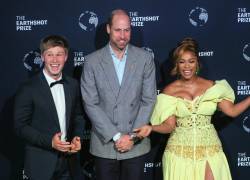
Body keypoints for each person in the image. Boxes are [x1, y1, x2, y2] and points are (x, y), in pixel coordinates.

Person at [135, 37, 250, 180]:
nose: (187, 67)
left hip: (210, 151)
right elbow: (169, 126)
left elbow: (231, 111)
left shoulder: (212, 86)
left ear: (197, 63)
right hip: (179, 153)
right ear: (177, 64)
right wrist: (152, 128)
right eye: (182, 62)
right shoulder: (169, 91)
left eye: (191, 61)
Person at [80, 9, 156, 180]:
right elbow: (90, 103)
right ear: (108, 29)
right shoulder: (92, 61)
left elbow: (149, 100)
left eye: (127, 30)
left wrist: (132, 137)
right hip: (104, 143)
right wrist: (116, 136)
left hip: (136, 144)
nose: (123, 36)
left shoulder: (145, 59)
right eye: (118, 30)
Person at [14, 35, 85, 180]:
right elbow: (20, 126)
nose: (55, 60)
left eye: (59, 54)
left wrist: (77, 137)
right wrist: (50, 142)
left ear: (66, 57)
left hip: (69, 164)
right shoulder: (28, 88)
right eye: (50, 54)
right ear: (42, 57)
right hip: (39, 165)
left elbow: (78, 116)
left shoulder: (73, 85)